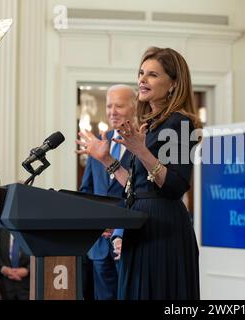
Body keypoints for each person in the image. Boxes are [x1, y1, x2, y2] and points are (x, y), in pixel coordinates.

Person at [76, 47, 201, 299]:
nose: (142, 80)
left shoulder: (179, 122)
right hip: (140, 223)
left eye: (152, 75)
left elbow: (176, 186)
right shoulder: (150, 125)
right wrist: (107, 160)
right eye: (141, 73)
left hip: (162, 228)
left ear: (173, 84)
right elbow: (137, 187)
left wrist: (141, 151)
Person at [79, 84, 137, 300]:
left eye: (119, 106)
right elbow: (86, 191)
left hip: (131, 243)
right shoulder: (98, 143)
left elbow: (142, 192)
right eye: (109, 106)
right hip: (99, 245)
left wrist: (120, 227)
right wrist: (96, 222)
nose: (112, 111)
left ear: (134, 107)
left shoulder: (143, 142)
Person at [0, 225, 30, 300]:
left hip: (27, 284)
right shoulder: (1, 226)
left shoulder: (32, 226)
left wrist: (27, 270)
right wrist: (2, 268)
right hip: (5, 285)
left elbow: (40, 250)